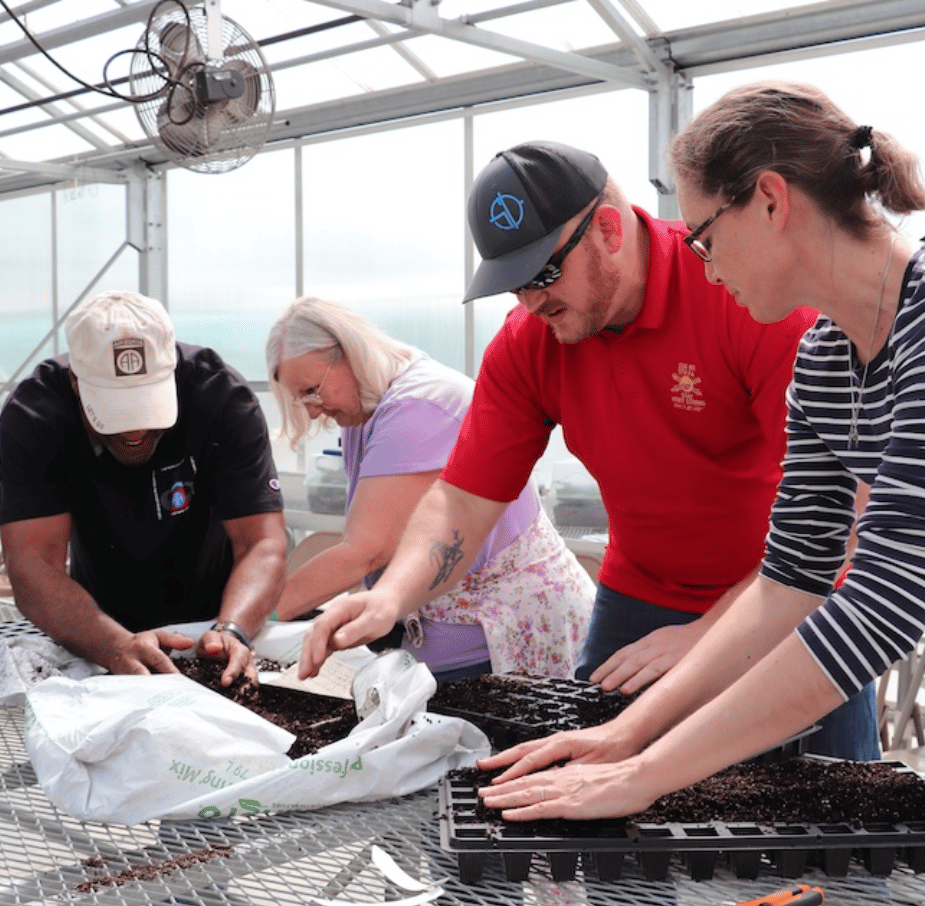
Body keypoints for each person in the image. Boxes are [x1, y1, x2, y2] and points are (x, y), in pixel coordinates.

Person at [476, 80, 925, 823]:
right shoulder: (825, 361)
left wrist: (649, 774)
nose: (702, 263)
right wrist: (623, 736)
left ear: (770, 201)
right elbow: (791, 577)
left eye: (703, 235)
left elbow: (887, 601)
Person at [299, 139, 880, 763]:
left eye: (543, 275)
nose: (529, 303)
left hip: (790, 589)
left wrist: (709, 636)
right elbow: (462, 501)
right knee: (595, 795)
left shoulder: (742, 297)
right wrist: (391, 597)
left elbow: (844, 510)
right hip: (641, 593)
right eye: (513, 285)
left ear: (607, 228)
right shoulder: (531, 341)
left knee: (826, 807)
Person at [266, 296, 594, 682]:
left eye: (312, 390)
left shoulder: (420, 407)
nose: (312, 409)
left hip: (501, 628)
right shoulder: (367, 408)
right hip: (454, 627)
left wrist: (254, 618)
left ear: (349, 354)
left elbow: (365, 551)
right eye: (301, 398)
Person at [0, 290, 288, 688]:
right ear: (77, 383)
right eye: (115, 413)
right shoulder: (36, 414)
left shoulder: (219, 396)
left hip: (214, 616)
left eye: (147, 409)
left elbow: (262, 543)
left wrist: (233, 628)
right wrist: (113, 645)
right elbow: (32, 564)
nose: (135, 431)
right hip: (96, 625)